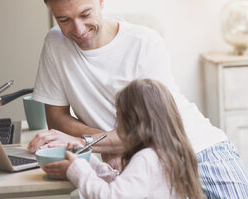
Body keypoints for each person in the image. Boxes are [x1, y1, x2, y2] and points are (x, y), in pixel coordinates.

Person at [28, 0, 248, 198]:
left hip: (198, 150)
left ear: (101, 0)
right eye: (64, 20)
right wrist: (110, 142)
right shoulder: (55, 43)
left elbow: (153, 130)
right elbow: (56, 118)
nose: (77, 29)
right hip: (144, 163)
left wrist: (90, 140)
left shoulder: (144, 42)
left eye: (85, 14)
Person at [43, 79, 205, 198]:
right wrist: (89, 162)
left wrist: (77, 170)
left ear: (133, 123)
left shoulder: (147, 158)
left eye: (120, 118)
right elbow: (127, 186)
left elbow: (112, 196)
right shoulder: (168, 152)